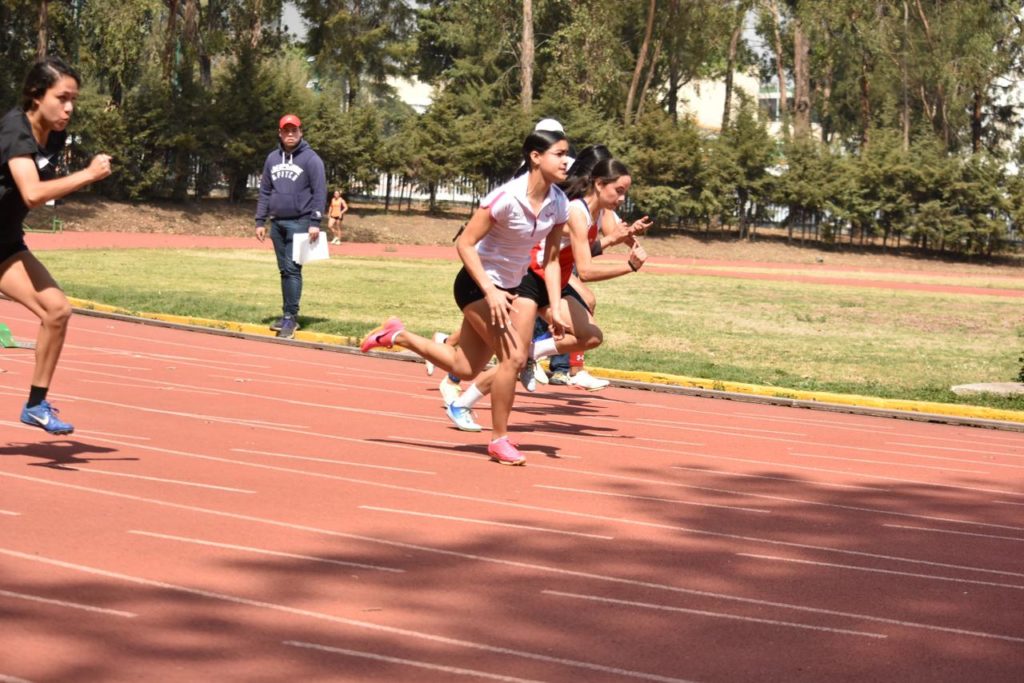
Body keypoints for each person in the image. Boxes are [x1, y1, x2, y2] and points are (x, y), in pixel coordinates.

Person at [361, 129, 571, 466]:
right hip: (476, 284)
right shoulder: (506, 197)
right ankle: (499, 440)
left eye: (566, 154)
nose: (566, 161)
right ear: (535, 157)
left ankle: (397, 336)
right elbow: (465, 244)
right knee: (514, 358)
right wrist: (490, 290)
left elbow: (551, 260)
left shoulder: (559, 203)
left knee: (466, 367)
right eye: (558, 154)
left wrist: (556, 307)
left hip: (510, 288)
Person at [443, 154, 649, 422]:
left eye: (625, 192)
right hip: (529, 280)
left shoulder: (599, 212)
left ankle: (534, 353)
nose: (622, 198)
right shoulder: (575, 211)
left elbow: (609, 236)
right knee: (511, 360)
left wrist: (629, 237)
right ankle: (462, 402)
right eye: (619, 191)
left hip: (555, 282)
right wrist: (629, 266)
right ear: (599, 184)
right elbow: (585, 270)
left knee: (591, 336)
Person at [0, 56, 112, 435]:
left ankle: (35, 405)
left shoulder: (55, 135)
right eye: (62, 98)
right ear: (36, 95)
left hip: (5, 244)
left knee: (57, 311)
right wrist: (87, 175)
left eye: (73, 100)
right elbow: (32, 193)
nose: (69, 108)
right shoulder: (15, 130)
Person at [254, 113, 327, 339]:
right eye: (286, 130)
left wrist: (315, 222)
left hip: (301, 221)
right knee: (284, 270)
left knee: (293, 269)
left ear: (300, 132)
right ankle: (286, 314)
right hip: (277, 222)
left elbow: (320, 191)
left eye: (294, 130)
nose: (290, 134)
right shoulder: (272, 159)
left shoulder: (311, 159)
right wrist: (260, 220)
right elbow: (265, 191)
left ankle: (290, 317)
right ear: (280, 133)